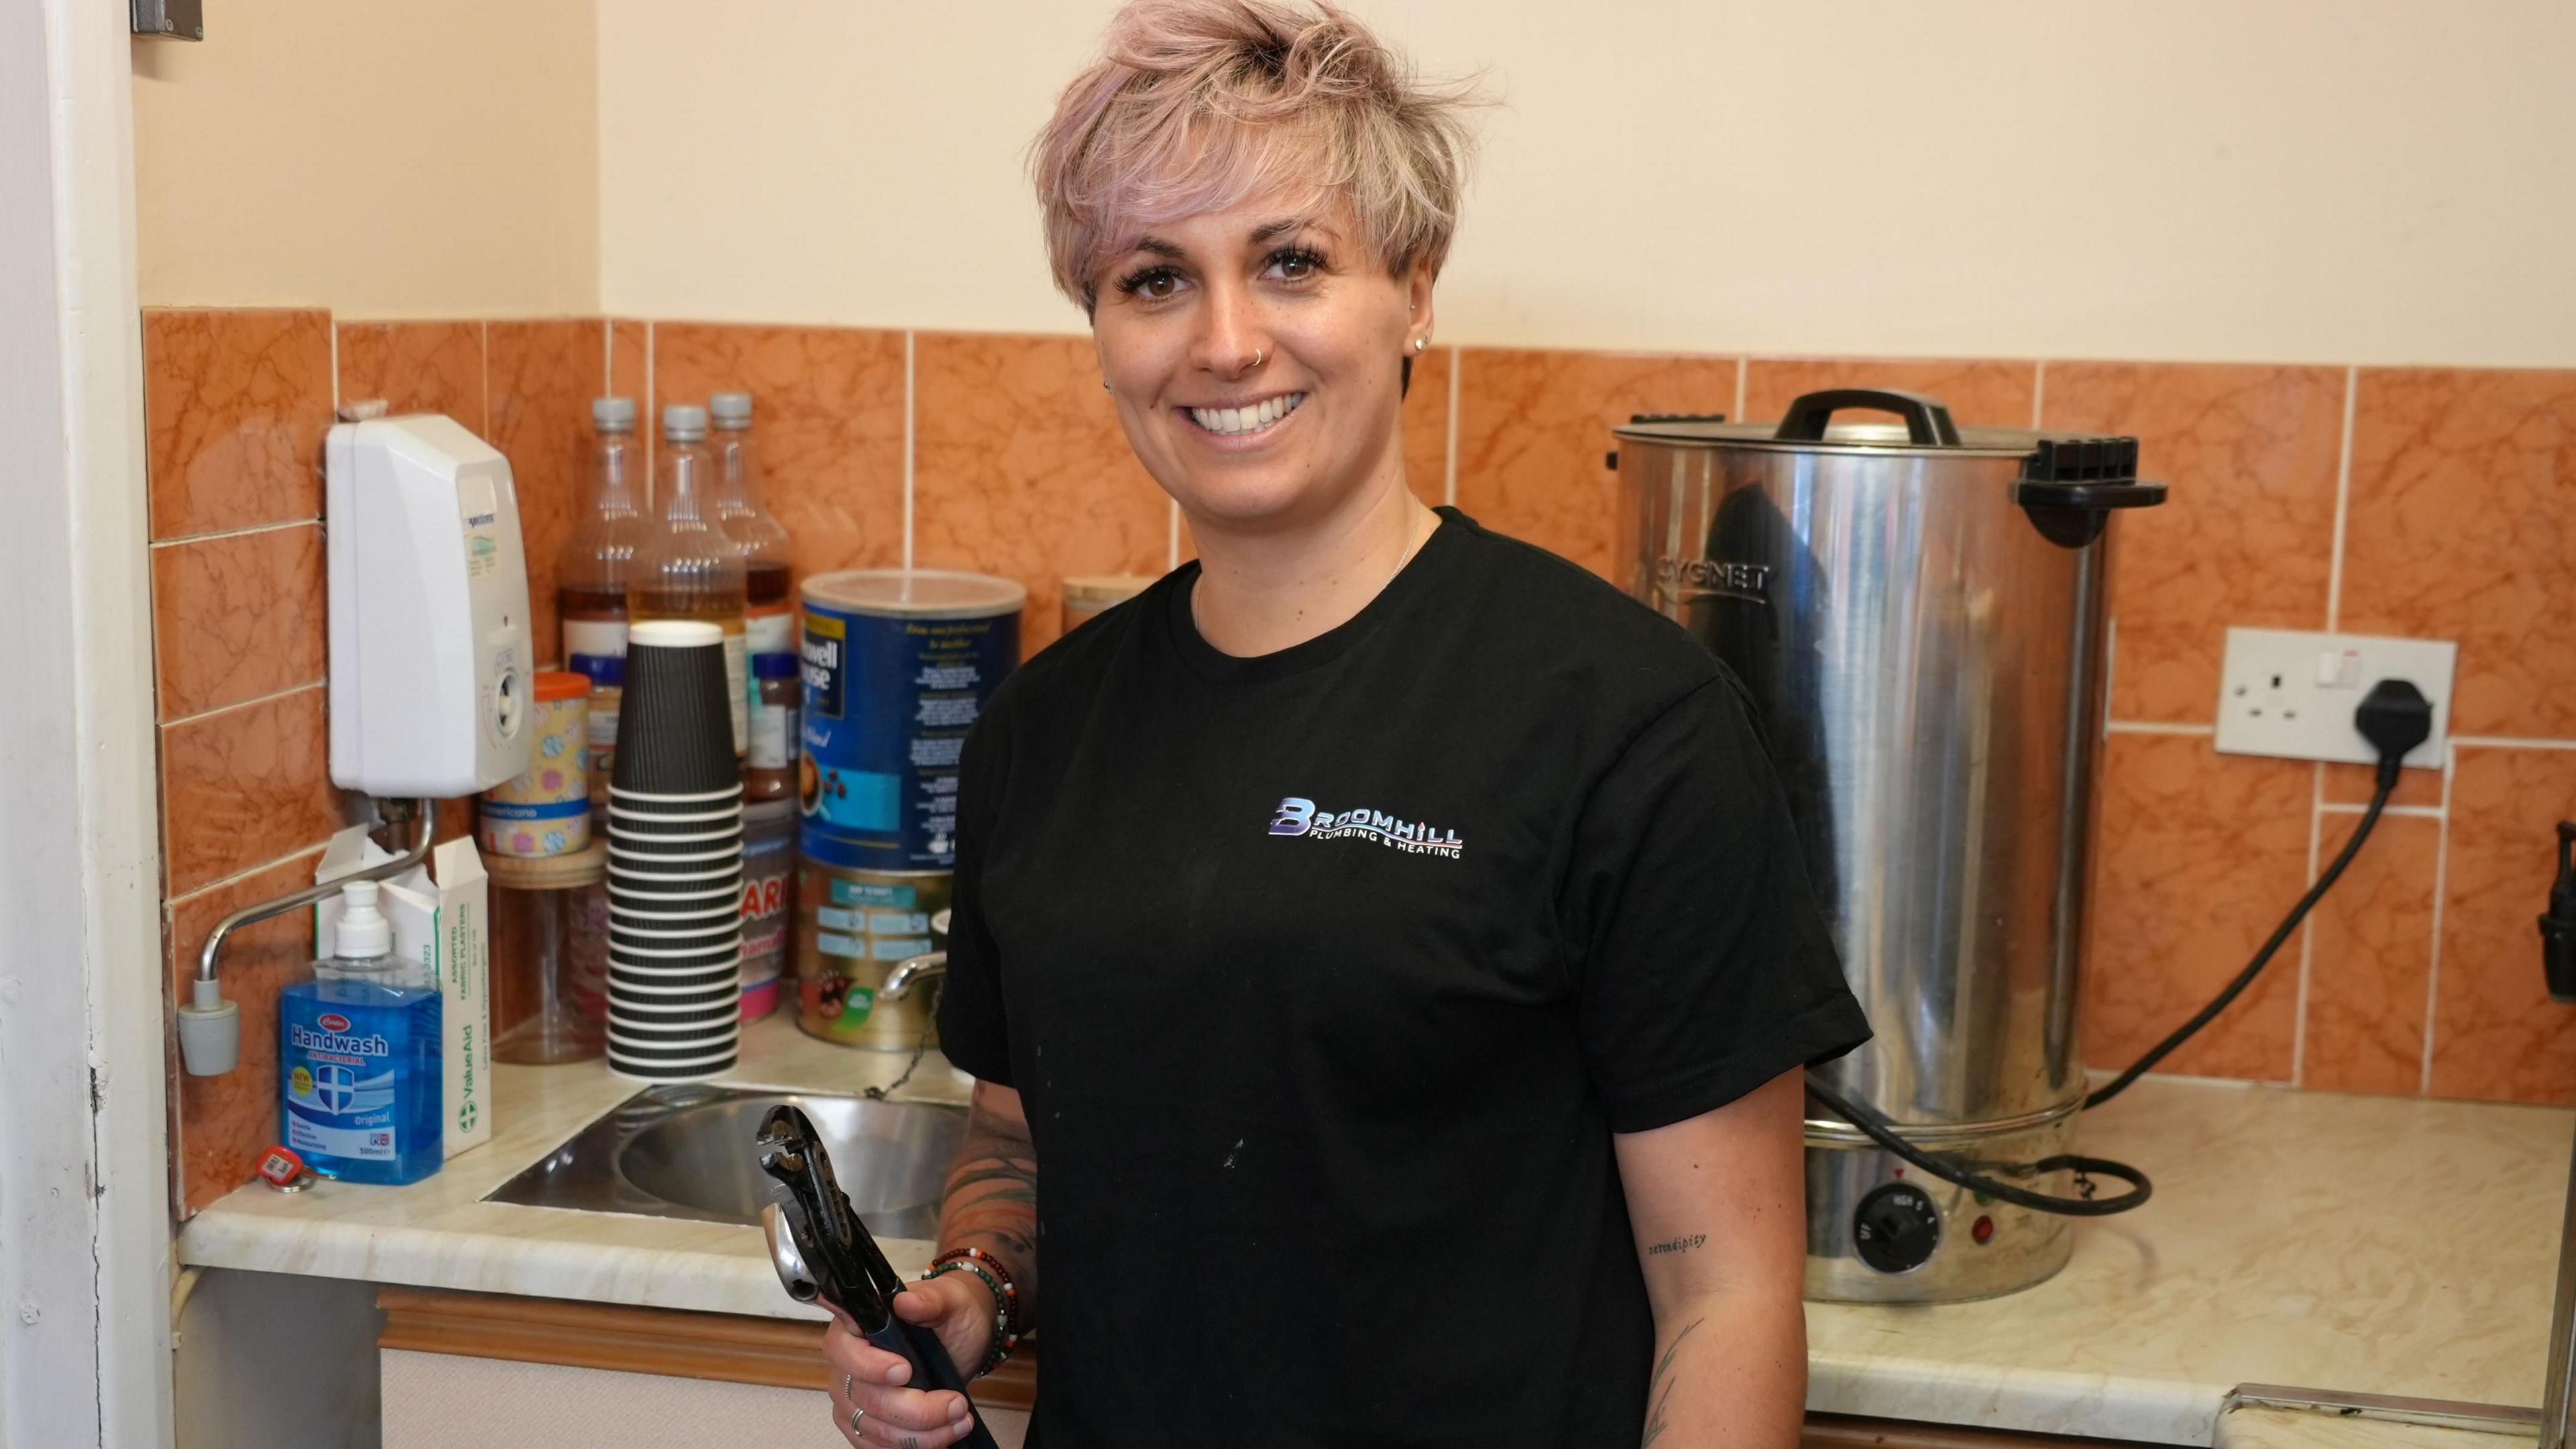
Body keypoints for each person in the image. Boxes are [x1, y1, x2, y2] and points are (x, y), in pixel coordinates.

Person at [821, 3, 1871, 1445]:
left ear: (1415, 290)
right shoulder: (1044, 729)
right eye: (1154, 279)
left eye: (1291, 262)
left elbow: (1729, 1300)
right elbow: (1018, 1134)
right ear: (1101, 328)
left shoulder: (1626, 722)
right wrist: (978, 1287)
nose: (1227, 342)